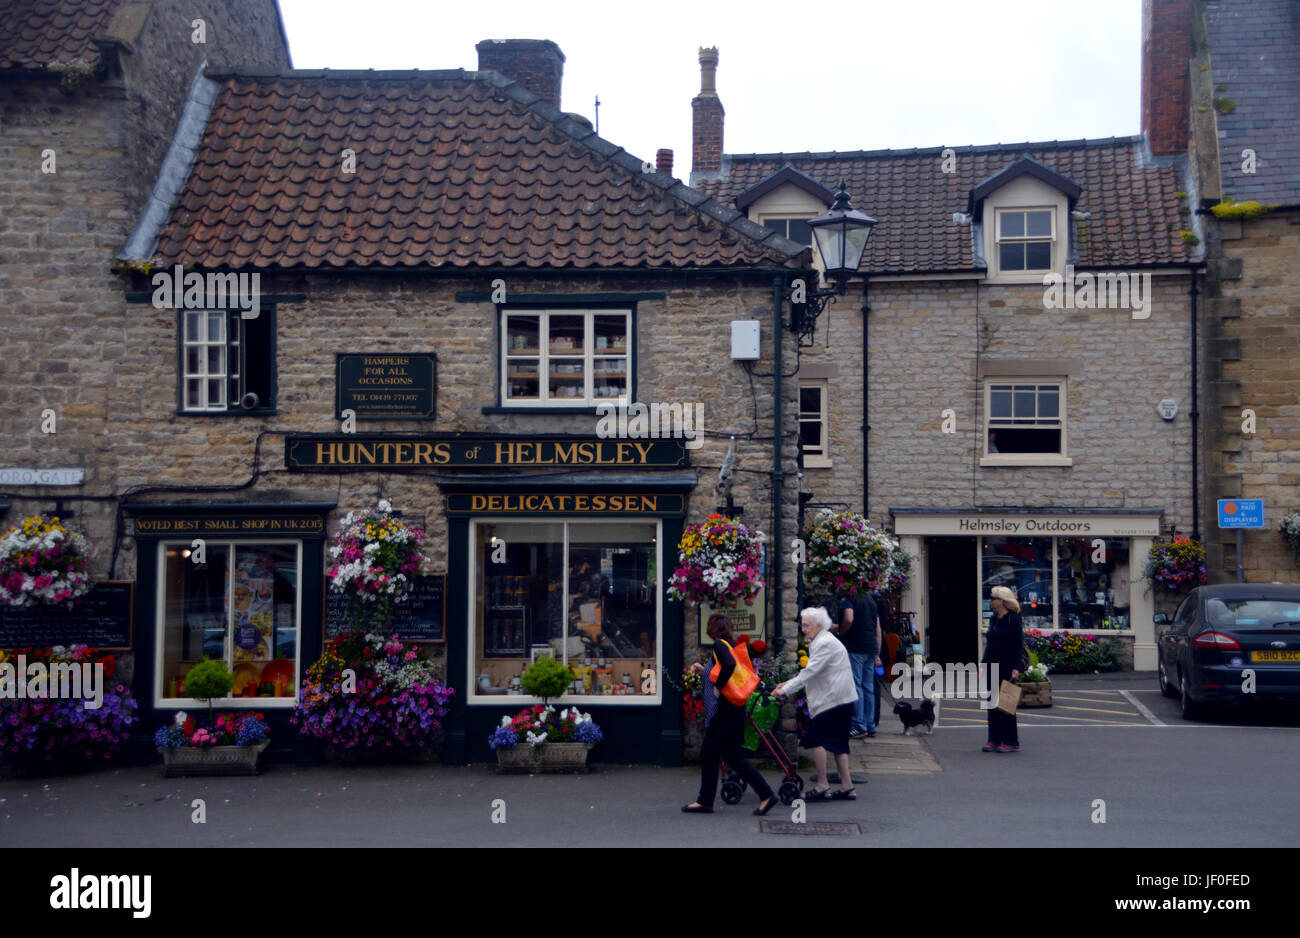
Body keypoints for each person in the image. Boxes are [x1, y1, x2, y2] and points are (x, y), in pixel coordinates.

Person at [682, 613, 778, 815]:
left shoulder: (719, 646)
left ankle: (767, 794)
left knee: (729, 757)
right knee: (712, 755)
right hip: (733, 711)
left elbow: (729, 666)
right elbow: (727, 669)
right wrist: (704, 671)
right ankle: (705, 801)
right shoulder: (731, 644)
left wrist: (718, 685)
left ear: (712, 629)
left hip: (724, 713)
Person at [774, 607, 859, 800]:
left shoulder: (825, 643)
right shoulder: (822, 641)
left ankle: (822, 785)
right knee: (838, 744)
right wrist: (786, 683)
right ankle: (847, 787)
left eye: (806, 625)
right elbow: (813, 671)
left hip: (833, 700)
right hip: (840, 698)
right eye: (802, 624)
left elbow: (810, 672)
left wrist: (785, 690)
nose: (803, 629)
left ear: (819, 625)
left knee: (815, 739)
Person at [982, 585, 1024, 753]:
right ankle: (994, 739)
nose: (990, 601)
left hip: (1007, 664)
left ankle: (1011, 741)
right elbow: (990, 643)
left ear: (1001, 601)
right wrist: (983, 663)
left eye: (993, 598)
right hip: (992, 664)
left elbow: (1018, 645)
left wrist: (1016, 667)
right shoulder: (994, 618)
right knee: (992, 703)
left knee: (1006, 703)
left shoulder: (1013, 619)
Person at [837, 588, 882, 738]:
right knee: (868, 686)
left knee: (856, 686)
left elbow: (848, 618)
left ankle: (858, 724)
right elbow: (878, 628)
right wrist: (877, 653)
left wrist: (841, 633)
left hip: (856, 647)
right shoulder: (871, 600)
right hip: (871, 648)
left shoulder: (849, 598)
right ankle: (870, 724)